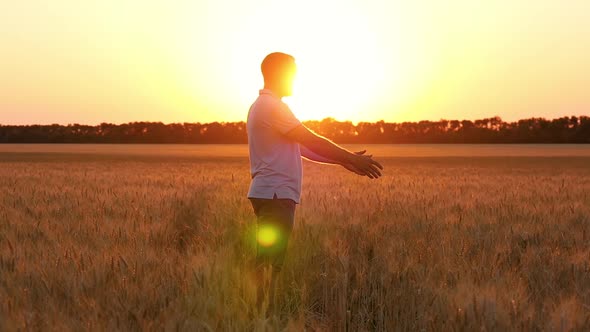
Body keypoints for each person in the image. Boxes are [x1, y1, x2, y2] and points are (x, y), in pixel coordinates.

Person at [247, 52, 383, 312]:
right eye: (293, 73)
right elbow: (312, 140)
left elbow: (303, 149)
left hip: (271, 193)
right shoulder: (272, 106)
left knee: (269, 260)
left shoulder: (262, 106)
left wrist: (346, 162)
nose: (296, 79)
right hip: (276, 195)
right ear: (279, 73)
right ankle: (261, 315)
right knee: (270, 262)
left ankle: (261, 314)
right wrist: (350, 157)